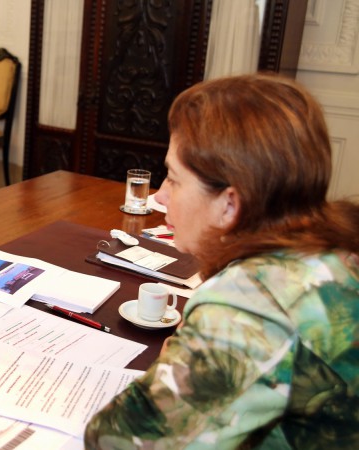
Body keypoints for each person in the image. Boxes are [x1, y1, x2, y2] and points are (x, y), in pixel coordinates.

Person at [85, 74, 359, 448]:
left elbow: (114, 439)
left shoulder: (249, 307)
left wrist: (176, 367)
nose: (161, 196)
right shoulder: (336, 247)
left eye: (174, 179)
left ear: (230, 203)